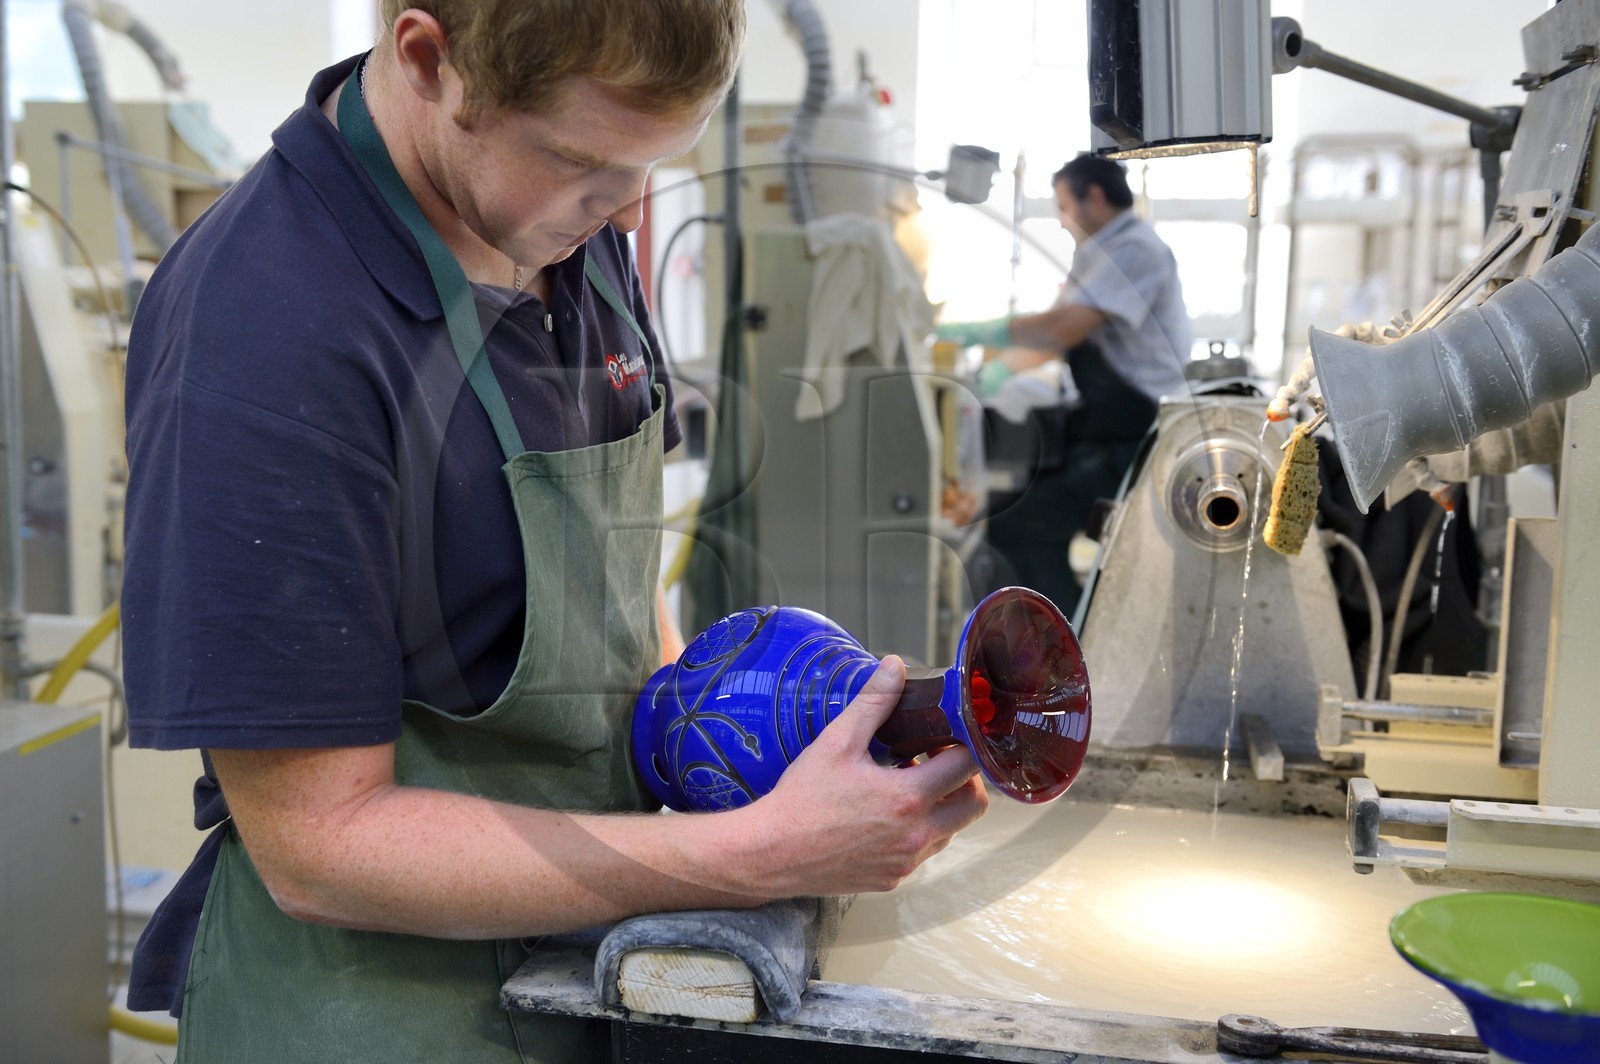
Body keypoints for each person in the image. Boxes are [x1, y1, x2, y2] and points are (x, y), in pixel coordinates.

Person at [120, 4, 989, 1060]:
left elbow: (611, 593)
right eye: (583, 158)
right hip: (382, 1012)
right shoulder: (267, 328)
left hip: (591, 959)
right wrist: (753, 851)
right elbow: (319, 845)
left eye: (654, 163)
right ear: (428, 58)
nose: (629, 217)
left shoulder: (562, 220)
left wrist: (752, 736)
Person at [939, 153, 1191, 616]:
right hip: (1108, 427)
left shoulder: (1135, 249)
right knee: (1014, 516)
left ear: (1092, 197)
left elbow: (1062, 329)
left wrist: (982, 331)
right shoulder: (1100, 252)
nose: (1059, 220)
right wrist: (995, 370)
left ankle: (1070, 652)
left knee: (1023, 527)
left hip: (1135, 435)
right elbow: (1054, 342)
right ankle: (1060, 641)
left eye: (1062, 206)